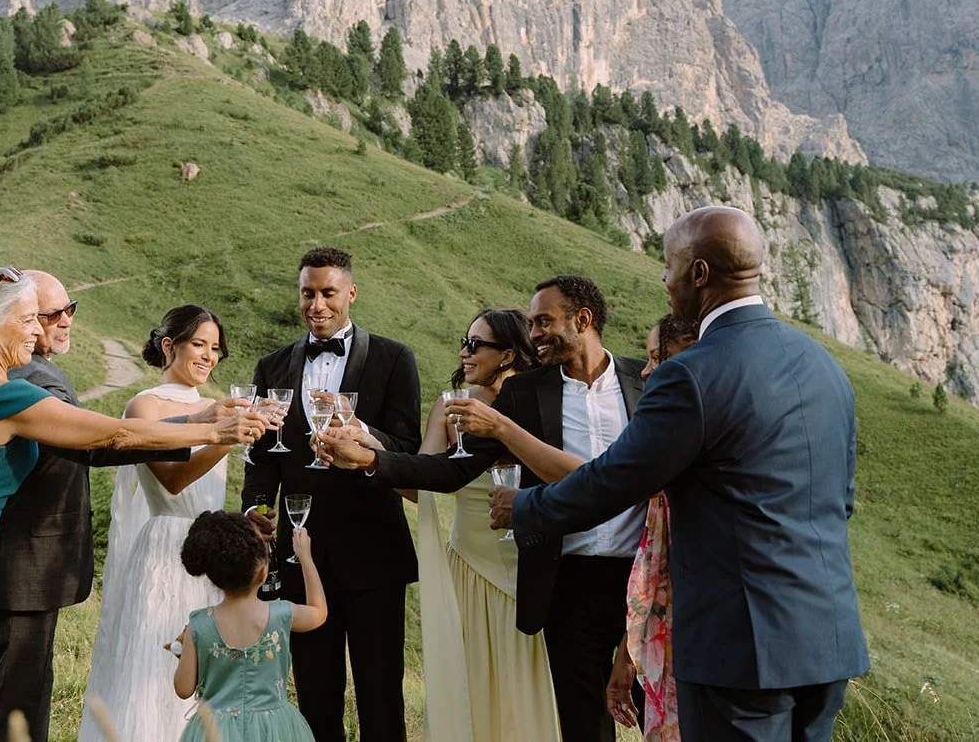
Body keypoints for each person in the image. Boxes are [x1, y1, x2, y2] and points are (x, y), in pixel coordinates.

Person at [0, 267, 266, 742]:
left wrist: (200, 416)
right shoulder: (10, 397)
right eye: (27, 320)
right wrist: (212, 431)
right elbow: (115, 434)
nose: (36, 330)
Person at [498, 207, 870, 742]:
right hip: (827, 636)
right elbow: (843, 501)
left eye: (669, 266)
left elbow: (616, 480)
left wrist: (527, 506)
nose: (664, 280)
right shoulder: (824, 365)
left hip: (740, 647)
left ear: (698, 274)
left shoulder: (690, 375)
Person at [325, 275, 646, 742]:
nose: (534, 332)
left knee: (666, 712)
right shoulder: (524, 394)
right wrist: (372, 459)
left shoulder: (645, 381)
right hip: (567, 580)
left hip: (640, 578)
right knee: (583, 724)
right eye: (531, 323)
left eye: (544, 321)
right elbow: (451, 473)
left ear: (583, 320)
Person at [0, 272, 204, 742]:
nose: (64, 322)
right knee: (11, 699)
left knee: (27, 690)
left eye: (70, 309)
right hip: (25, 563)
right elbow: (100, 444)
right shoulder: (30, 376)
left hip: (31, 561)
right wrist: (209, 429)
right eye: (49, 314)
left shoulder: (33, 370)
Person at [240, 246, 422, 742]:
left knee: (381, 694)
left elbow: (409, 449)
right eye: (308, 293)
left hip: (374, 552)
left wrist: (360, 429)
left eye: (328, 293)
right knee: (315, 695)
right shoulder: (272, 366)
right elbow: (262, 458)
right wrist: (256, 513)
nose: (317, 305)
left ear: (351, 293)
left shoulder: (394, 358)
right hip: (301, 554)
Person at [80, 306, 275, 741]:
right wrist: (228, 438)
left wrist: (246, 522)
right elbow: (171, 481)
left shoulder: (216, 406)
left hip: (212, 554)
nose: (209, 356)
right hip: (164, 550)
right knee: (154, 665)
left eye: (215, 348)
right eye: (199, 345)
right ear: (169, 345)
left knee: (208, 671)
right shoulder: (144, 405)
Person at [395, 308, 559, 741]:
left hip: (527, 560)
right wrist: (370, 447)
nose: (464, 353)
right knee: (468, 679)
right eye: (464, 342)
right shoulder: (450, 407)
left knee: (523, 673)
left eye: (475, 344)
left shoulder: (537, 404)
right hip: (468, 563)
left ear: (507, 354)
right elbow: (421, 484)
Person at [607, 314, 695, 742]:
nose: (644, 372)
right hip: (668, 625)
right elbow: (652, 572)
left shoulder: (685, 434)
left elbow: (610, 480)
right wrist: (626, 653)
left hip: (699, 629)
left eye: (657, 358)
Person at [171, 510, 327, 742]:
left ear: (214, 580)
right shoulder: (281, 614)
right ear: (263, 572)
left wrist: (184, 651)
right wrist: (305, 557)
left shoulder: (198, 625)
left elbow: (183, 688)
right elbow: (319, 612)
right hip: (274, 730)